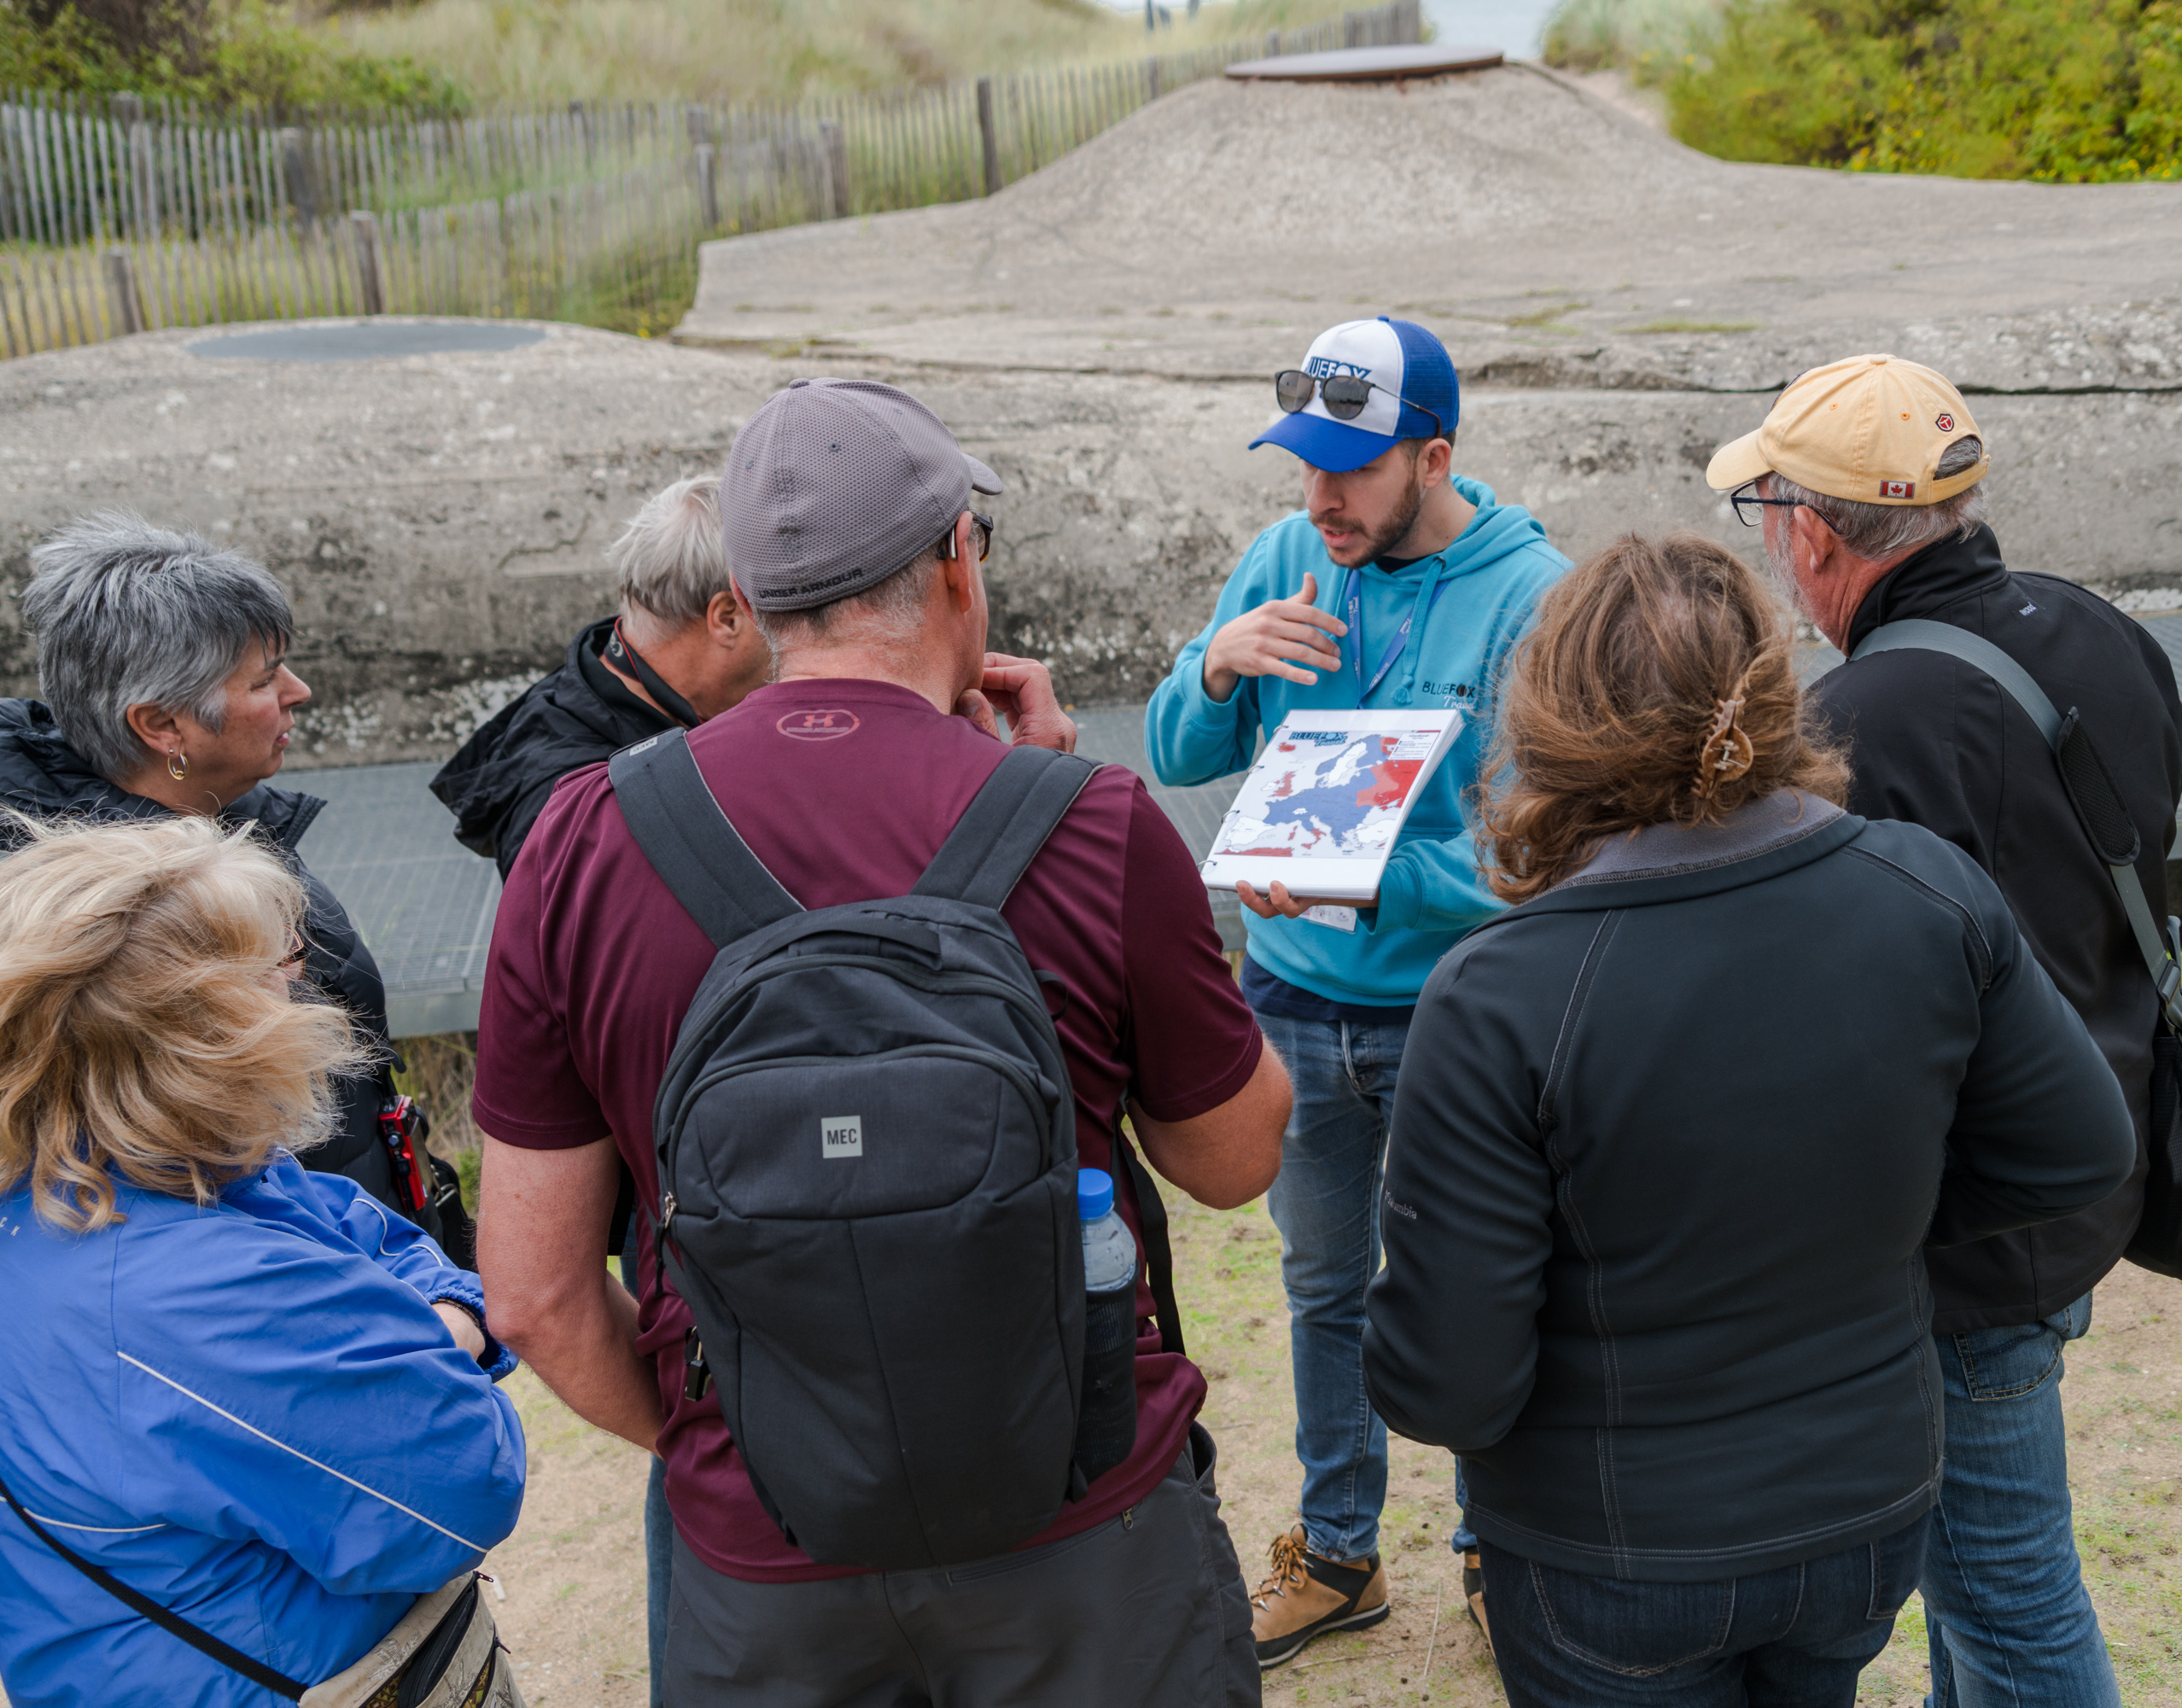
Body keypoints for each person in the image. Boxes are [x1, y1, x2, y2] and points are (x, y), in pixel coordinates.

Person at [471, 376, 1292, 1706]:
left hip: (763, 1565)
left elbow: (532, 1296)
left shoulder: (582, 839)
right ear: (961, 557)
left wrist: (729, 1438)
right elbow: (1235, 1158)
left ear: (749, 592)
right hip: (1087, 1532)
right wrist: (1076, 805)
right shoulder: (1089, 823)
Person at [1362, 532, 2138, 1708]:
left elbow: (1445, 1384)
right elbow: (2076, 1149)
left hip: (1611, 1547)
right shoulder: (1926, 891)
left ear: (1550, 722)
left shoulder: (1499, 991)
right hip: (1861, 1516)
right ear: (1771, 689)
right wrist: (1865, 1220)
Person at [1708, 355, 2182, 1708]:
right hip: (2095, 1146)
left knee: (2006, 1595)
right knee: (1974, 1593)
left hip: (1958, 1231)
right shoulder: (2097, 629)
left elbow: (1824, 1000)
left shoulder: (1850, 725)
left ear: (1812, 533)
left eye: (1767, 514)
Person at [1145, 314, 1572, 1665]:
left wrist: (1360, 868)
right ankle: (1339, 1552)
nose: (1319, 497)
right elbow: (1175, 754)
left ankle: (1498, 1547)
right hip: (1290, 1003)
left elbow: (1540, 852)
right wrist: (1216, 665)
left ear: (1434, 457)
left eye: (1353, 469)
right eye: (1305, 465)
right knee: (1323, 1286)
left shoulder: (1533, 596)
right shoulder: (1286, 558)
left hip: (1459, 1011)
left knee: (1481, 1283)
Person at [0, 813, 526, 1708]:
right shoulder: (193, 1293)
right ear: (211, 1029)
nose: (306, 993)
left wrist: (430, 1319)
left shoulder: (122, 1176)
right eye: (285, 967)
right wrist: (451, 1334)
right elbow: (459, 1486)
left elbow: (374, 1236)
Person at [0, 513, 453, 1244]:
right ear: (163, 726)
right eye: (265, 680)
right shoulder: (120, 931)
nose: (299, 691)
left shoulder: (219, 816)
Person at [432, 473, 769, 877]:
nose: (794, 644)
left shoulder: (618, 693)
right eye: (781, 619)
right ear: (727, 618)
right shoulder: (572, 809)